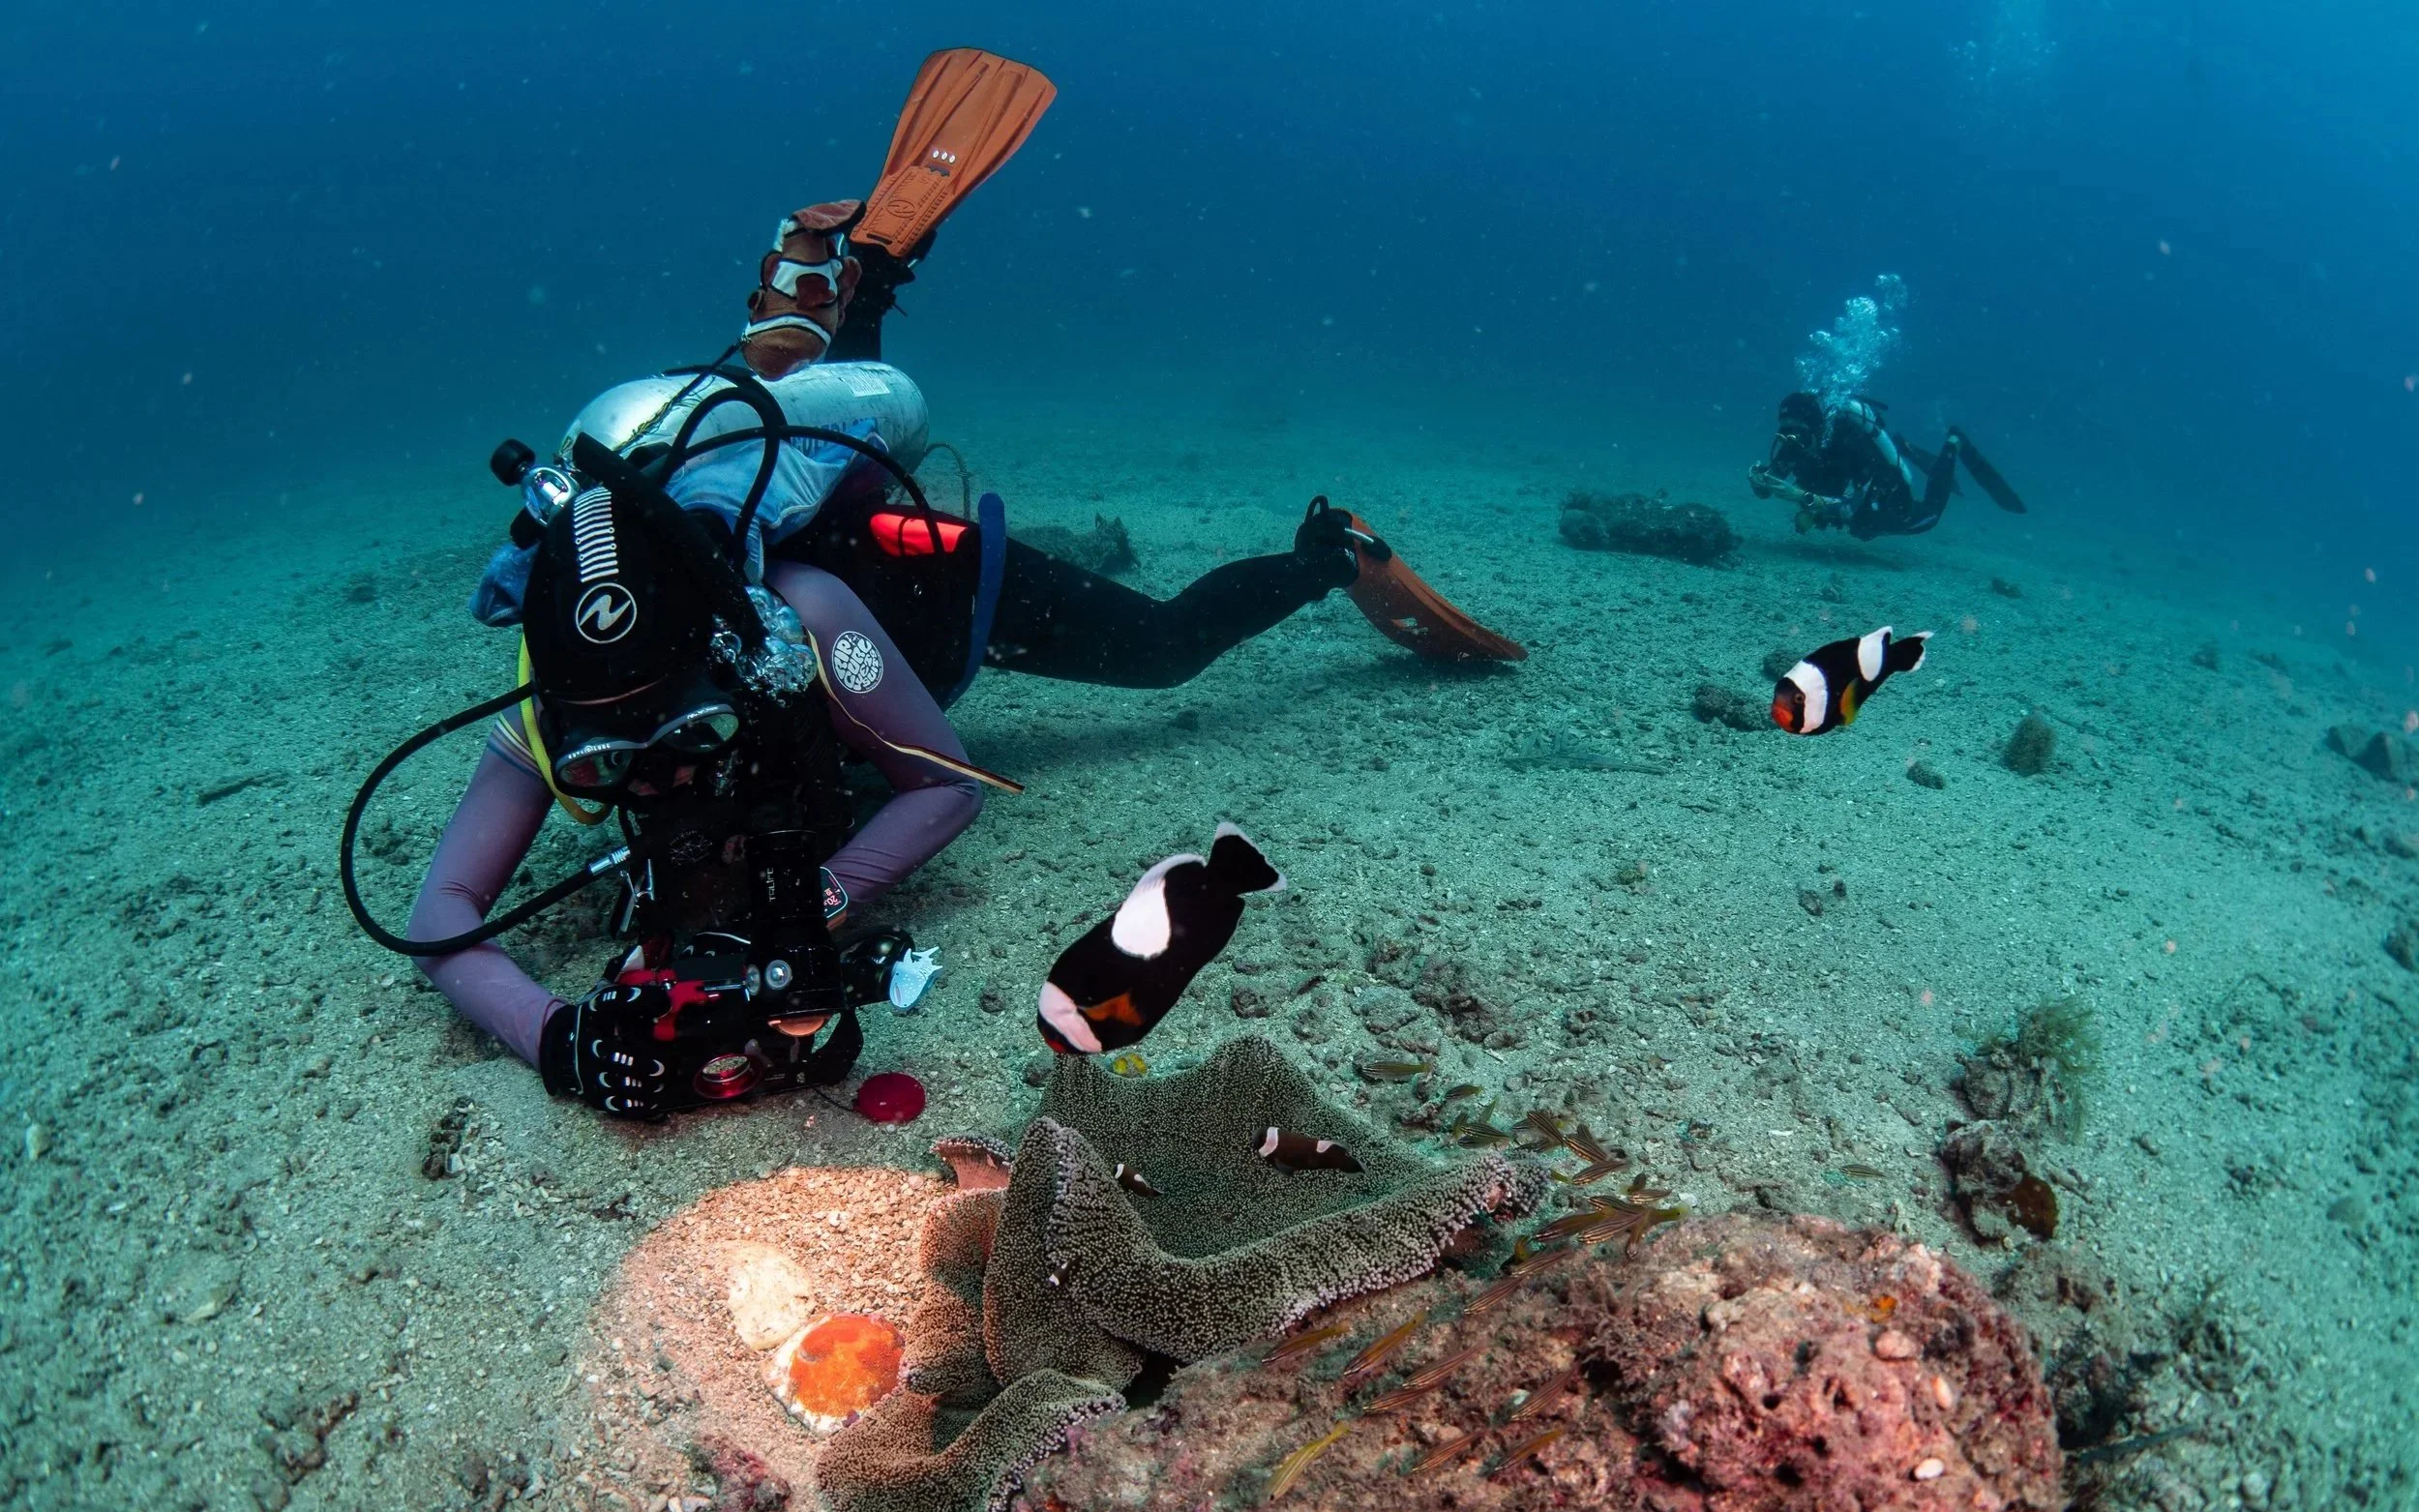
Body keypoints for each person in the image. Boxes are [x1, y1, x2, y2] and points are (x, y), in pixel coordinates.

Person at [359, 52, 1524, 1123]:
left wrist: (815, 899)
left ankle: (1332, 549)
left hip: (916, 600)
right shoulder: (552, 692)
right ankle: (838, 299)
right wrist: (558, 1040)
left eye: (683, 735)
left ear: (728, 656)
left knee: (1163, 648)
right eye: (609, 762)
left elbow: (945, 786)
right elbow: (439, 916)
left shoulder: (802, 617)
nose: (649, 773)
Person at [1747, 390, 2025, 539]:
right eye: (1787, 434)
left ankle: (1954, 442)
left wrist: (1803, 498)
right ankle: (1903, 444)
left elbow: (1852, 504)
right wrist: (1760, 481)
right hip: (1837, 497)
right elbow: (1769, 485)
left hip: (1882, 492)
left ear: (1818, 429)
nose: (1792, 443)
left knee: (1926, 518)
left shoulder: (1852, 444)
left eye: (1801, 434)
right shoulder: (1793, 443)